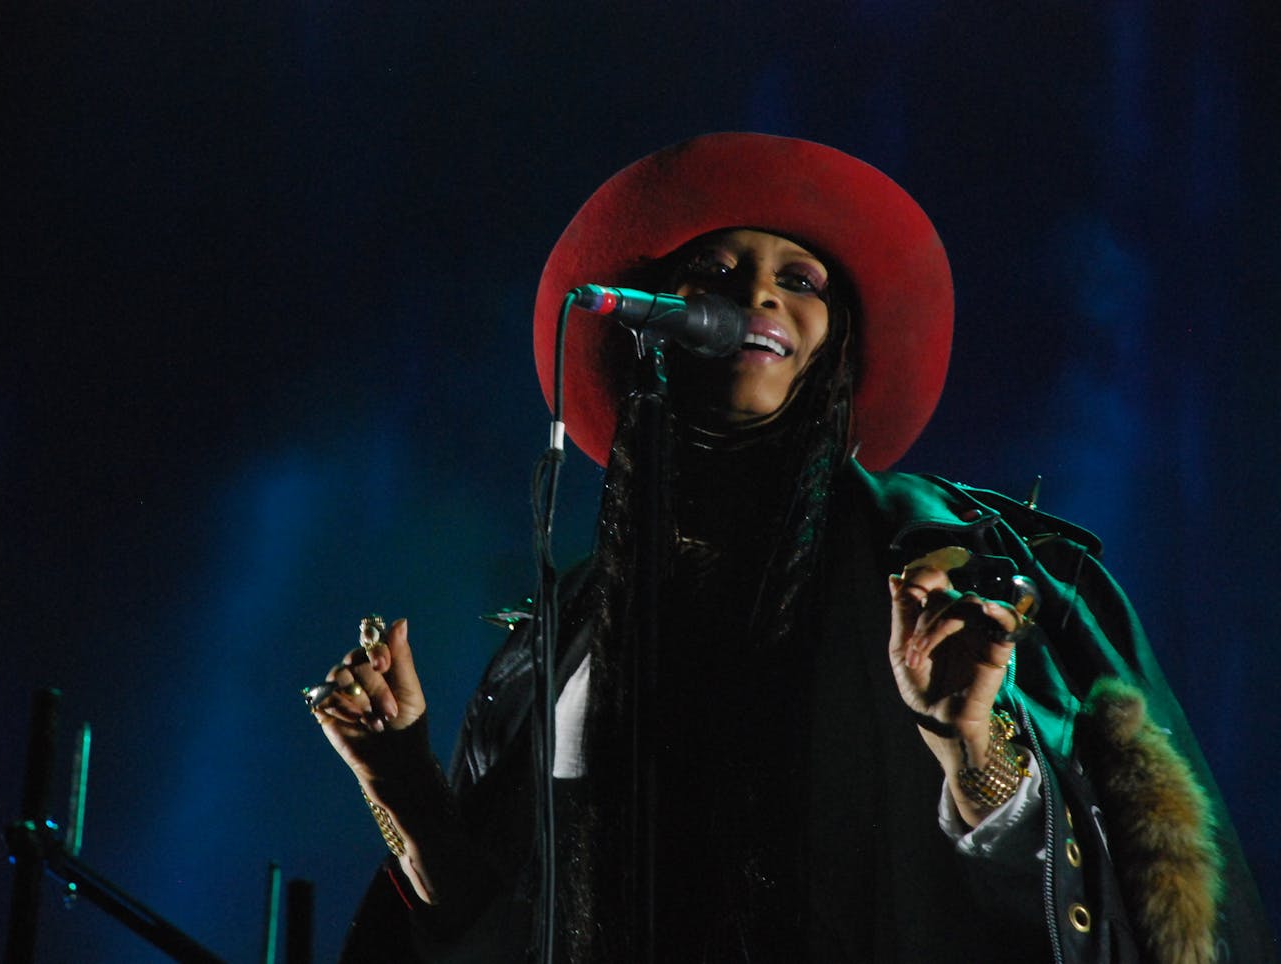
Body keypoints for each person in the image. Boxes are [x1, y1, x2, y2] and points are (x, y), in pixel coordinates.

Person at [308, 134, 1275, 963]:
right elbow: (498, 934)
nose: (758, 296)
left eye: (797, 279)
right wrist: (398, 781)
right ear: (651, 323)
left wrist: (971, 749)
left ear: (832, 343)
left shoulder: (967, 574)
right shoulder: (562, 643)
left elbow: (1113, 920)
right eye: (719, 275)